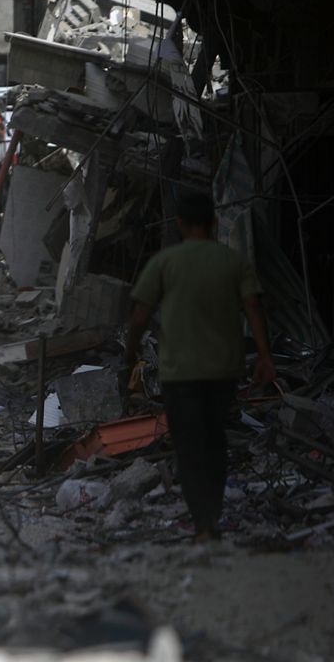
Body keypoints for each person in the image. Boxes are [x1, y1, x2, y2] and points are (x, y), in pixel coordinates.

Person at [123, 191, 275, 544]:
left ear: (179, 224)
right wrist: (266, 357)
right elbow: (253, 306)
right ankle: (212, 518)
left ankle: (203, 525)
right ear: (214, 222)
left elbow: (140, 316)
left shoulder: (165, 262)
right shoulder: (232, 261)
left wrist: (129, 353)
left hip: (180, 374)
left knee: (190, 447)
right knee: (214, 442)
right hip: (223, 372)